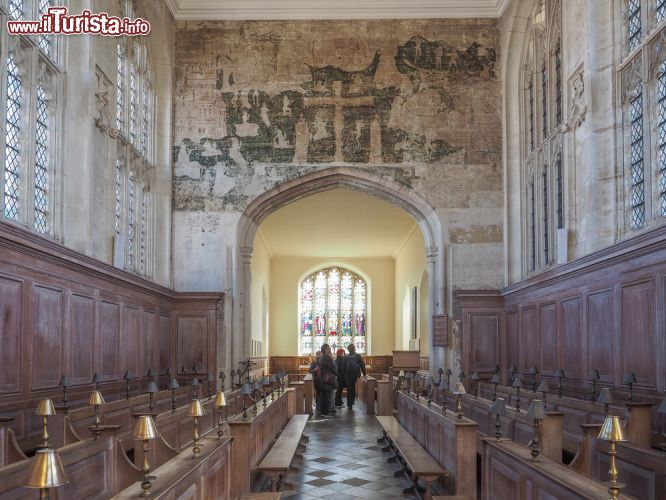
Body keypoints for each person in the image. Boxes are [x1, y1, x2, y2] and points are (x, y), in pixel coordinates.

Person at [314, 344, 337, 417]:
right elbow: (334, 368)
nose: (330, 349)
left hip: (322, 379)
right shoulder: (327, 358)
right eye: (329, 348)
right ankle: (326, 412)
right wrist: (332, 360)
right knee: (327, 396)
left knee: (324, 396)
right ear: (326, 350)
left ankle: (323, 412)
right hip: (328, 380)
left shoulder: (321, 358)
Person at [343, 344, 366, 409]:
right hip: (355, 374)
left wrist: (344, 374)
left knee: (349, 388)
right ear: (354, 349)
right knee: (352, 387)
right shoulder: (358, 356)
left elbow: (343, 367)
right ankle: (352, 401)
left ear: (348, 349)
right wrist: (364, 374)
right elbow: (362, 365)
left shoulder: (346, 357)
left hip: (348, 374)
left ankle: (349, 403)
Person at [309, 351, 321, 415]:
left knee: (323, 393)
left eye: (320, 356)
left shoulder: (323, 362)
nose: (319, 357)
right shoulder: (314, 362)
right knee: (318, 393)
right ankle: (318, 407)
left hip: (324, 380)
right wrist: (315, 370)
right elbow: (310, 371)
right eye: (318, 356)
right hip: (317, 380)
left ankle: (322, 406)